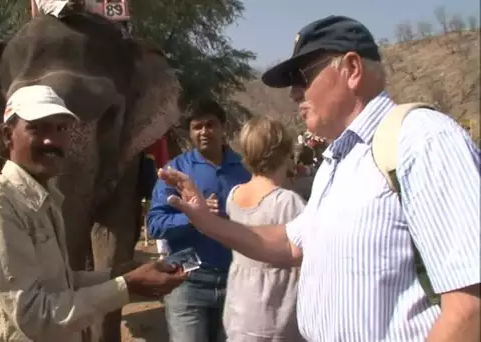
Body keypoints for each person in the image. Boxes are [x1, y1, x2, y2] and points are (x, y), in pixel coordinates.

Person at [158, 15, 480, 342]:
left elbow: (470, 307)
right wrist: (205, 221)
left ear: (352, 69)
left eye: (303, 76)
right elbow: (291, 243)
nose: (295, 94)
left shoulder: (423, 140)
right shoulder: (336, 161)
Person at [0, 84, 186, 341]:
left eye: (60, 129)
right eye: (37, 128)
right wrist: (127, 285)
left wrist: (116, 275)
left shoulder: (44, 197)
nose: (51, 140)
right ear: (9, 136)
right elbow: (36, 316)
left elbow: (58, 284)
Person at [147, 100, 251, 342]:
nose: (205, 132)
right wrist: (193, 217)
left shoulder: (246, 170)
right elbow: (155, 224)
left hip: (236, 283)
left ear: (223, 127)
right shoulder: (175, 171)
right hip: (187, 282)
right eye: (197, 127)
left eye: (211, 125)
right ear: (190, 133)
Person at [223, 116, 305, 342]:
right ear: (284, 153)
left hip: (239, 309)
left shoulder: (234, 194)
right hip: (276, 313)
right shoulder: (288, 202)